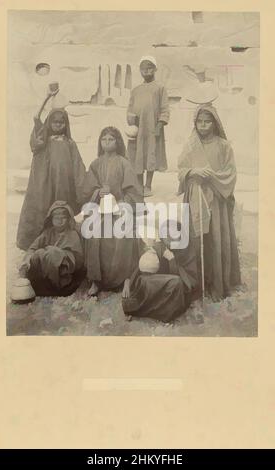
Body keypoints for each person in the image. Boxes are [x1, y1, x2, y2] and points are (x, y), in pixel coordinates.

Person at [177, 104, 241, 301]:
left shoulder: (224, 146)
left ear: (215, 123)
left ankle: (217, 284)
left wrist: (211, 177)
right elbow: (181, 169)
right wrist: (192, 172)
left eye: (207, 121)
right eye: (199, 122)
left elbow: (230, 173)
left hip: (216, 201)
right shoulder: (190, 145)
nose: (203, 126)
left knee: (215, 239)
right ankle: (197, 284)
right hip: (195, 196)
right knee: (197, 240)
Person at [16, 91, 86, 251]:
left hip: (63, 186)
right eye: (54, 122)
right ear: (49, 123)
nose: (58, 125)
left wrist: (83, 187)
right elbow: (36, 116)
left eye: (62, 122)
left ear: (66, 124)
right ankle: (37, 242)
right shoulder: (42, 141)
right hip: (43, 186)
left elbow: (78, 166)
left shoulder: (70, 143)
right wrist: (47, 96)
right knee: (42, 212)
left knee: (60, 214)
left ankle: (61, 242)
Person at [81, 126, 144, 298]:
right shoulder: (95, 164)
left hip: (120, 209)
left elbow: (134, 191)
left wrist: (122, 202)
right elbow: (87, 191)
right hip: (100, 210)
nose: (107, 142)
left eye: (111, 139)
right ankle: (96, 280)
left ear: (118, 142)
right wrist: (97, 193)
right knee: (94, 234)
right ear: (100, 143)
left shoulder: (124, 163)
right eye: (104, 139)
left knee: (122, 236)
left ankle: (125, 279)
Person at [122, 220, 198, 322]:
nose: (168, 240)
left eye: (172, 235)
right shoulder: (160, 247)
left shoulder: (187, 250)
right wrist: (127, 282)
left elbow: (189, 279)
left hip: (174, 286)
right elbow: (141, 269)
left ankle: (153, 311)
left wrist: (171, 259)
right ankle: (138, 308)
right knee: (144, 282)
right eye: (166, 236)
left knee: (176, 284)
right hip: (159, 284)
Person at [18, 200, 85, 296]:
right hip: (46, 270)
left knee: (51, 253)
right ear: (51, 219)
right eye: (56, 218)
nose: (59, 221)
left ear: (68, 219)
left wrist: (59, 255)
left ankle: (57, 285)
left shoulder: (72, 234)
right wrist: (27, 259)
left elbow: (79, 261)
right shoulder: (48, 233)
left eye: (63, 218)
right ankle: (43, 283)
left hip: (64, 273)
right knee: (38, 253)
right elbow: (32, 248)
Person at [126, 56, 170, 197]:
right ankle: (139, 185)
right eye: (143, 69)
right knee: (138, 155)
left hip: (152, 128)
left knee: (151, 154)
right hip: (138, 129)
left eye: (149, 67)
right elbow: (130, 108)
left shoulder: (160, 88)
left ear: (155, 69)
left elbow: (165, 109)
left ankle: (148, 185)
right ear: (140, 71)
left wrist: (159, 125)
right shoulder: (136, 90)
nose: (146, 71)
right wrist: (131, 121)